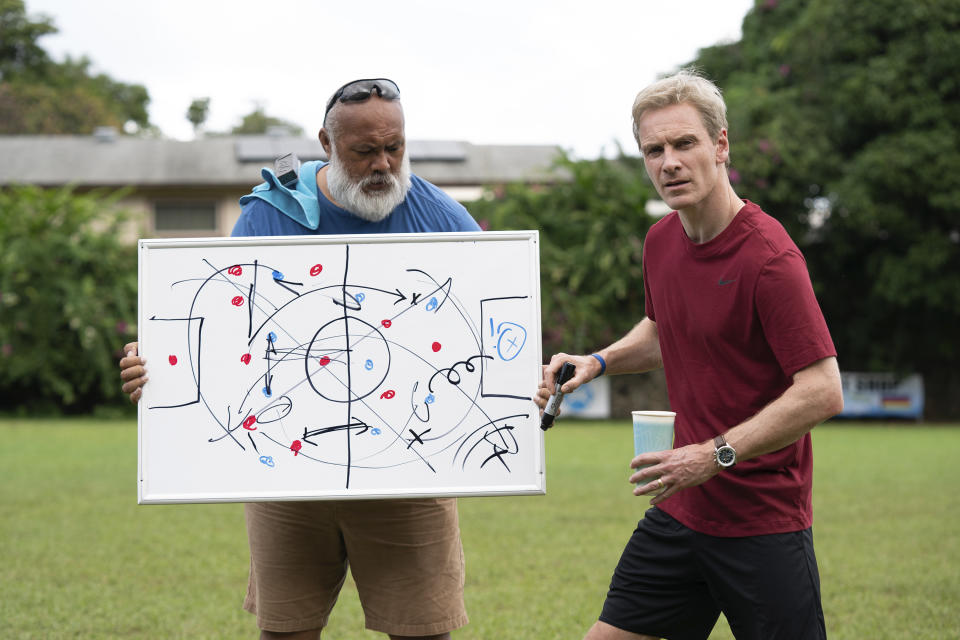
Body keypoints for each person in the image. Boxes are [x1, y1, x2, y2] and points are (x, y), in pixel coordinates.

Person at [120, 78, 479, 640]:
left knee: (423, 630)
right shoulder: (269, 214)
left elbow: (482, 326)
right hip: (285, 466)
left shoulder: (444, 218)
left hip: (410, 472)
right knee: (286, 630)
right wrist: (158, 365)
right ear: (326, 144)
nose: (384, 164)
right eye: (365, 152)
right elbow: (218, 322)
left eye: (396, 147)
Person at [536, 69, 843, 640]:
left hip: (760, 521)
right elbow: (660, 330)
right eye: (654, 150)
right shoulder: (662, 240)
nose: (669, 162)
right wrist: (594, 363)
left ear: (721, 145)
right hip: (682, 510)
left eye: (684, 143)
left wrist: (714, 454)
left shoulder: (770, 258)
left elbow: (822, 389)